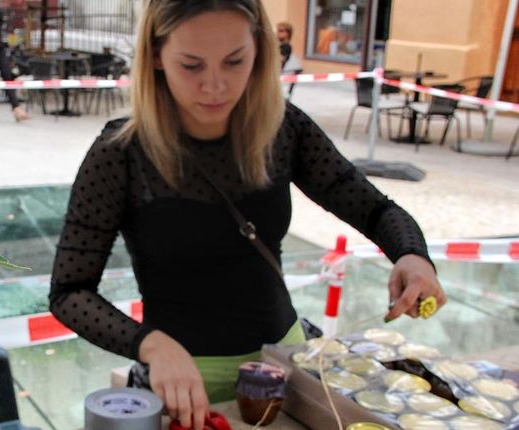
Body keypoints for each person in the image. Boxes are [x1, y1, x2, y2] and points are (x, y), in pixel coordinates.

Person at [48, 1, 446, 429]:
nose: (215, 86)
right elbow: (70, 292)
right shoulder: (120, 154)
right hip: (184, 389)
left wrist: (412, 255)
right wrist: (150, 345)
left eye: (234, 61)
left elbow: (373, 207)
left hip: (289, 373)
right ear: (157, 57)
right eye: (192, 66)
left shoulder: (284, 129)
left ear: (260, 51)